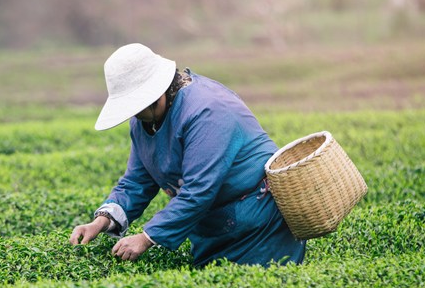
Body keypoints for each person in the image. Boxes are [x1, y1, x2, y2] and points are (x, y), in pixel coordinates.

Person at [69, 43, 306, 268]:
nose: (134, 115)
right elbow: (136, 182)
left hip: (258, 224)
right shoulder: (142, 121)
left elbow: (199, 190)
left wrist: (146, 237)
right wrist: (100, 222)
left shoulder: (208, 111)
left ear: (157, 94)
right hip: (211, 229)